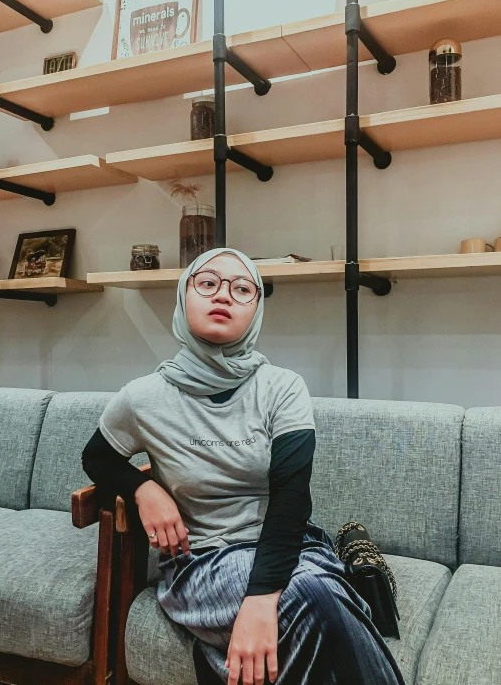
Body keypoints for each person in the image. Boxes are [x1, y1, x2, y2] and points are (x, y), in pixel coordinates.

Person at [82, 247, 405, 685]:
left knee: (314, 601)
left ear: (256, 309)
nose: (224, 296)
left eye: (242, 288)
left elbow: (293, 496)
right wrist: (142, 489)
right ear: (183, 296)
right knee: (321, 596)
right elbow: (97, 457)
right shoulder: (144, 397)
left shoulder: (282, 388)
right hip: (203, 563)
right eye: (208, 283)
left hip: (288, 550)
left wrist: (260, 598)